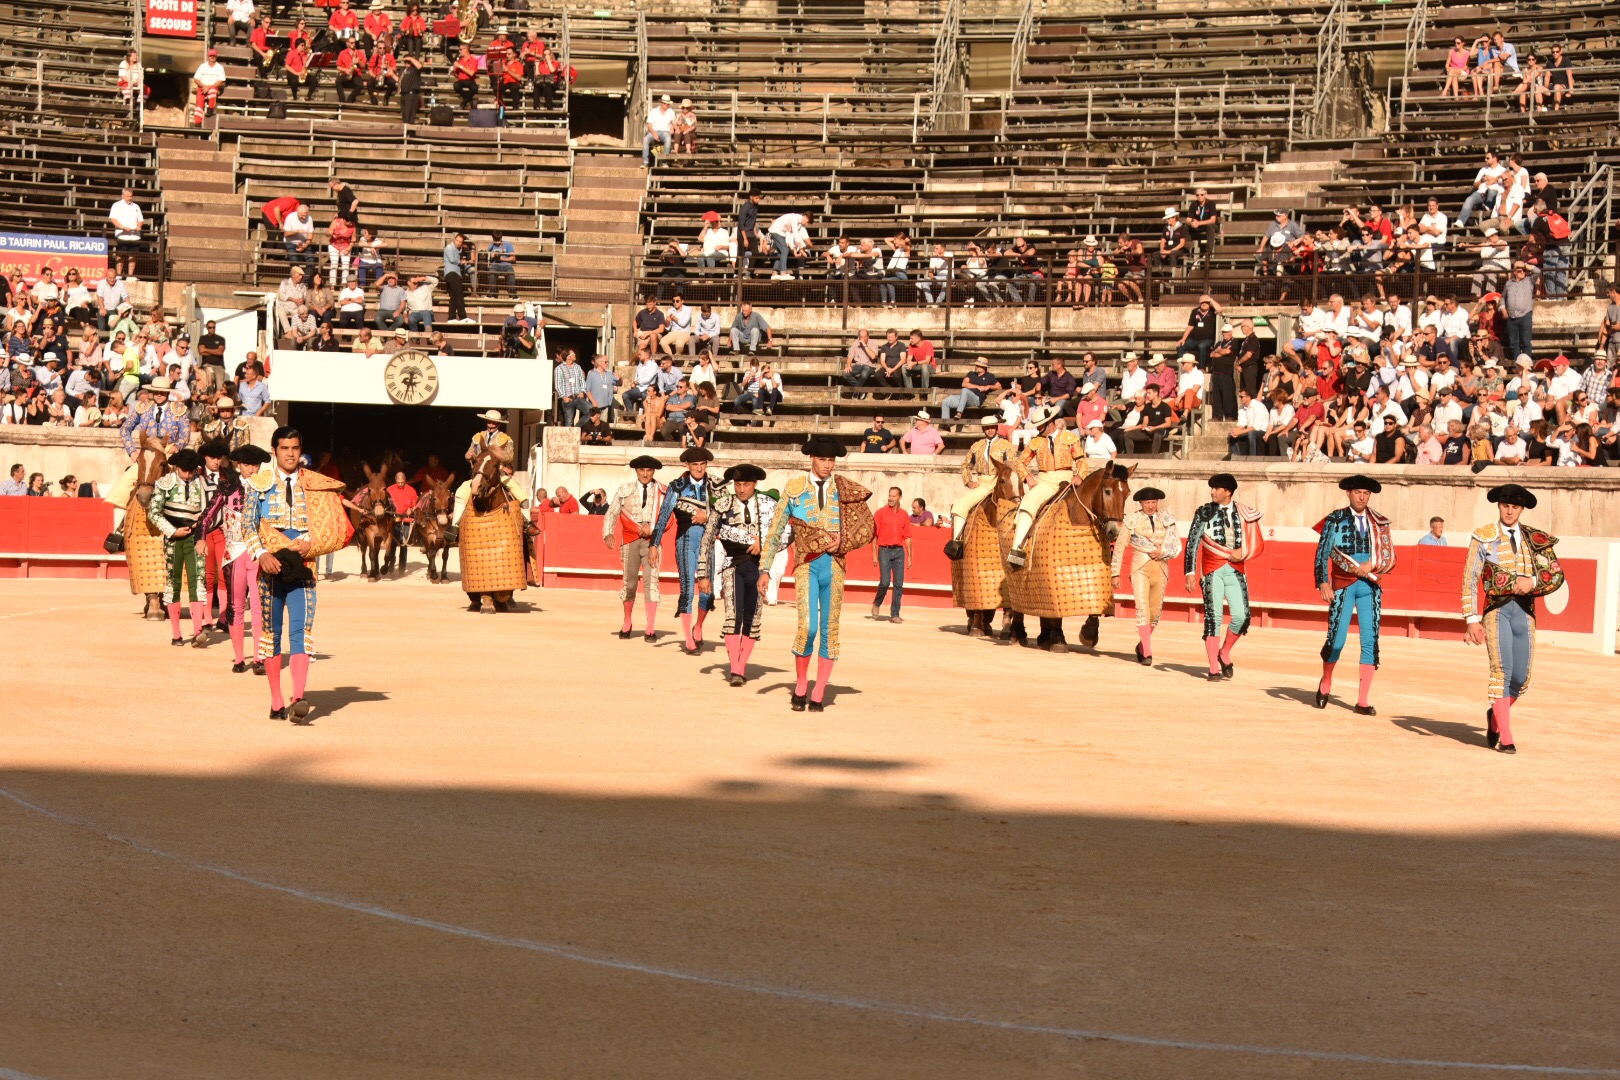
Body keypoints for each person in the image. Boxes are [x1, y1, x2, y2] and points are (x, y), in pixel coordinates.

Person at [759, 435, 875, 712]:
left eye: (831, 460)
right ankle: (801, 683)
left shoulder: (845, 489)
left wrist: (844, 541)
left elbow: (867, 527)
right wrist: (765, 568)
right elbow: (774, 531)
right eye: (823, 459)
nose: (827, 464)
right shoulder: (794, 488)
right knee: (808, 627)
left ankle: (819, 690)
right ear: (812, 459)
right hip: (806, 565)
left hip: (834, 566)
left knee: (829, 629)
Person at [243, 427, 345, 723]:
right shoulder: (258, 484)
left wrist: (313, 543)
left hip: (304, 567)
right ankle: (277, 701)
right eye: (285, 448)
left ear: (301, 451)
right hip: (271, 567)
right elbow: (248, 526)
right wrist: (261, 555)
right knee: (272, 634)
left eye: (295, 448)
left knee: (300, 633)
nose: (290, 453)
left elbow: (331, 527)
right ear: (274, 450)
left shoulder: (314, 484)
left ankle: (298, 697)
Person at [1461, 484, 1564, 754]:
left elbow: (1554, 574)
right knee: (1501, 672)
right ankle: (1506, 737)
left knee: (1522, 678)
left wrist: (1532, 581)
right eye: (1505, 505)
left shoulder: (1534, 538)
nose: (1509, 510)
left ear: (1521, 509)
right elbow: (1470, 579)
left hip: (1525, 612)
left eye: (1514, 506)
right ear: (1499, 506)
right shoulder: (1483, 536)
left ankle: (1495, 716)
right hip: (1496, 611)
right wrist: (1472, 619)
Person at [1312, 476, 1397, 715]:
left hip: (1369, 587)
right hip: (1342, 584)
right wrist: (1322, 583)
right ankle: (1326, 680)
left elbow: (1389, 557)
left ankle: (1362, 700)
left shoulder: (1379, 521)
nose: (1362, 497)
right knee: (1337, 640)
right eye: (1358, 492)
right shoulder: (1335, 519)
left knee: (1370, 641)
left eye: (1366, 493)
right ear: (1348, 493)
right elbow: (1321, 554)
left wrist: (1369, 566)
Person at [696, 463, 775, 685]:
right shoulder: (721, 504)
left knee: (752, 618)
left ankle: (741, 664)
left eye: (746, 484)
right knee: (733, 617)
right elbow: (707, 540)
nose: (741, 489)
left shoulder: (767, 505)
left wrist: (763, 544)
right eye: (738, 484)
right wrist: (703, 575)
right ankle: (737, 669)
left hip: (759, 569)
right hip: (732, 566)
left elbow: (782, 534)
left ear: (755, 484)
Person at [1184, 473, 1265, 681]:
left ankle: (1224, 652)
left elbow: (1254, 541)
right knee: (1214, 617)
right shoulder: (1203, 512)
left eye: (1217, 489)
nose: (1212, 492)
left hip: (1236, 569)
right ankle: (1213, 667)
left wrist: (1242, 551)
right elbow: (1192, 542)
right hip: (1212, 569)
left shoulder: (1243, 513)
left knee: (1242, 616)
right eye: (1212, 488)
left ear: (1227, 492)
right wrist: (1190, 572)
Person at [651, 446, 716, 653]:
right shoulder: (677, 486)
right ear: (687, 465)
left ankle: (698, 626)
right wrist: (654, 543)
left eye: (702, 464)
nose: (699, 468)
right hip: (685, 541)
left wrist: (708, 517)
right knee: (687, 587)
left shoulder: (715, 486)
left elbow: (725, 514)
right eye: (695, 464)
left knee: (707, 590)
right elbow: (663, 516)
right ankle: (689, 639)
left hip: (708, 542)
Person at [1110, 486, 1181, 667]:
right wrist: (1115, 573)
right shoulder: (1132, 520)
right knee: (1142, 609)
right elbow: (1120, 547)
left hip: (1162, 567)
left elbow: (1175, 545)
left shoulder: (1167, 520)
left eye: (1153, 502)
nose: (1150, 505)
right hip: (1139, 566)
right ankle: (1147, 653)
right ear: (1141, 503)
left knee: (1155, 613)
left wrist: (1162, 551)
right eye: (1147, 502)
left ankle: (1142, 645)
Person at [1006, 405, 1084, 568]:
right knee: (1028, 502)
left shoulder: (1069, 438)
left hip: (1067, 479)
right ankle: (1017, 549)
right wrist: (1027, 477)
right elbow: (1020, 462)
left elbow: (1082, 461)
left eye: (1041, 426)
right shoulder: (1036, 442)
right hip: (1045, 481)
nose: (1038, 429)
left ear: (1050, 423)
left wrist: (1079, 476)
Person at [149, 448, 210, 647]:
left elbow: (208, 511)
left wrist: (197, 527)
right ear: (176, 468)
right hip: (174, 539)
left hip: (194, 538)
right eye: (185, 471)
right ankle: (176, 634)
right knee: (173, 582)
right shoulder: (164, 483)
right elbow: (154, 513)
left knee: (197, 581)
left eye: (192, 471)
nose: (188, 475)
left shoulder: (202, 483)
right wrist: (173, 532)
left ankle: (197, 631)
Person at [943, 414, 1025, 560]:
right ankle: (957, 543)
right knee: (960, 506)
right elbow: (966, 465)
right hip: (983, 483)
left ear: (996, 428)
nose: (990, 430)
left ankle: (1020, 546)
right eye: (987, 428)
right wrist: (969, 482)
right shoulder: (977, 446)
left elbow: (1012, 465)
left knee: (1019, 506)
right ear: (983, 429)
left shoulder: (1006, 445)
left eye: (993, 427)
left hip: (1002, 483)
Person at [869, 486, 912, 623]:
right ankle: (877, 603)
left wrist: (910, 555)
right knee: (885, 581)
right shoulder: (880, 513)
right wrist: (874, 554)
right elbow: (874, 535)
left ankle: (895, 614)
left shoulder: (904, 514)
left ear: (899, 498)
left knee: (899, 583)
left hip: (899, 551)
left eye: (894, 496)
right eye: (890, 495)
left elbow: (908, 536)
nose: (891, 498)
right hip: (884, 550)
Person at [108, 188, 145, 280]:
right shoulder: (116, 205)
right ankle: (119, 274)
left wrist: (139, 226)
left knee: (133, 255)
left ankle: (130, 275)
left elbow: (140, 220)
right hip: (122, 235)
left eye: (131, 196)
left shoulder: (136, 206)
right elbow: (113, 219)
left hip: (135, 235)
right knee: (120, 254)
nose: (129, 198)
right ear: (123, 196)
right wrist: (122, 227)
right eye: (127, 196)